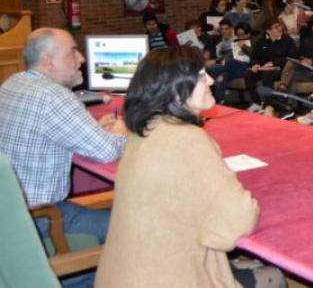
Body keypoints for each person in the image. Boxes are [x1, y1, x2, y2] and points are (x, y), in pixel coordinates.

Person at [95, 46, 259, 287]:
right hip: (167, 279)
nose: (212, 80)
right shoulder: (188, 139)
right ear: (177, 89)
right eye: (202, 76)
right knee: (271, 277)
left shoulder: (144, 130)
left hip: (122, 276)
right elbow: (236, 220)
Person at [0, 28, 126, 288]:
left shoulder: (12, 83)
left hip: (10, 215)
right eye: (72, 52)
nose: (81, 59)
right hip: (43, 217)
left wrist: (95, 130)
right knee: (137, 227)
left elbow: (49, 131)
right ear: (49, 61)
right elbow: (107, 151)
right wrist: (123, 131)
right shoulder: (54, 96)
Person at [244, 20, 298, 112]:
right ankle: (257, 102)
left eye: (279, 26)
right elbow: (254, 57)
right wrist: (255, 64)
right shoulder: (261, 42)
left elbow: (292, 58)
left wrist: (273, 63)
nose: (279, 28)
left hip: (279, 69)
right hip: (263, 68)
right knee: (248, 74)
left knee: (267, 74)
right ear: (268, 31)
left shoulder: (287, 40)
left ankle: (269, 104)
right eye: (276, 27)